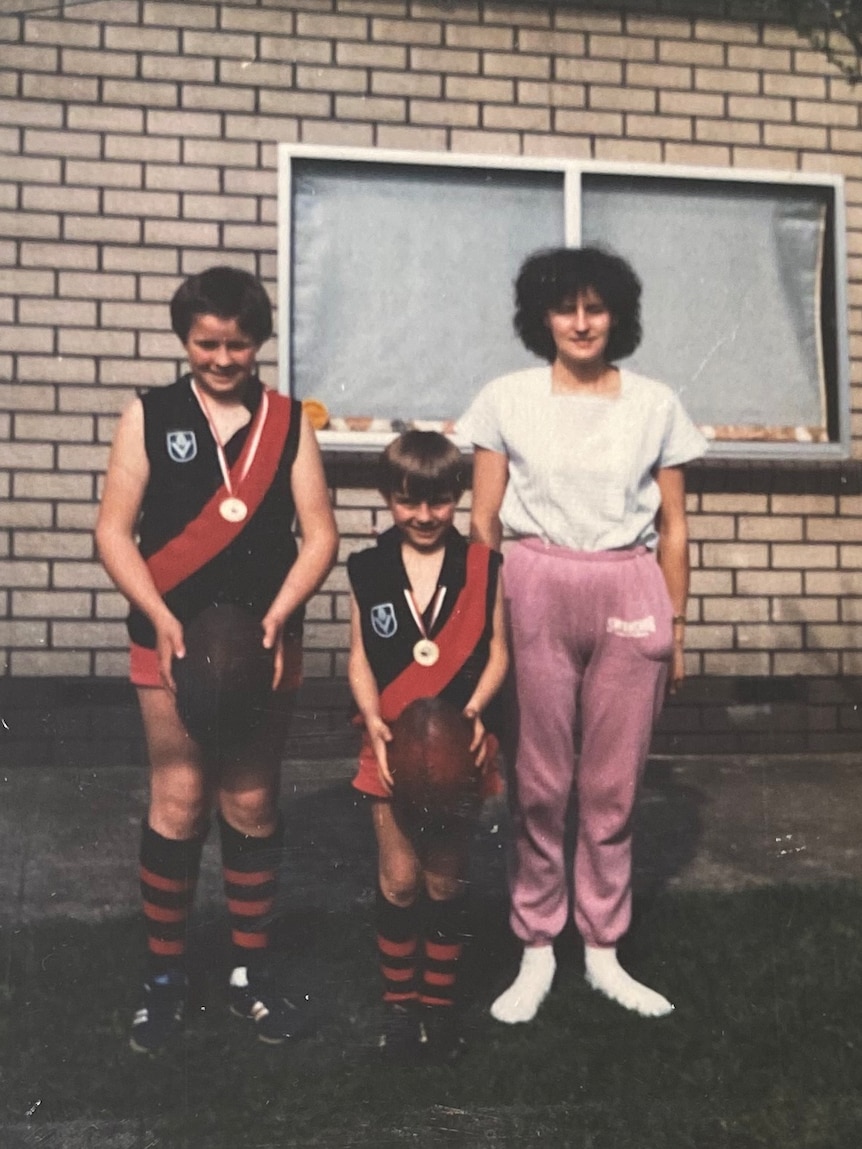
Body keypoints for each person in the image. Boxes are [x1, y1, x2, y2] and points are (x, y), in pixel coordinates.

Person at [459, 246, 707, 1023]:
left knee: (610, 785)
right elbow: (484, 521)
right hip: (533, 586)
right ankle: (537, 946)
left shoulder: (657, 403)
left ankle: (603, 948)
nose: (580, 322)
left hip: (628, 587)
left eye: (595, 308)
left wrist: (674, 622)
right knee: (540, 782)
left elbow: (673, 528)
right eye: (565, 308)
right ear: (541, 316)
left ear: (617, 316)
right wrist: (485, 626)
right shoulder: (506, 397)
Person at [95, 266, 338, 1053]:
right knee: (178, 799)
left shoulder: (288, 420)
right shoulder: (149, 413)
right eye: (207, 343)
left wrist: (276, 615)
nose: (222, 357)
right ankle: (162, 981)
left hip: (262, 642)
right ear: (184, 339)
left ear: (259, 340)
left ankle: (252, 977)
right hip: (168, 637)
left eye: (237, 342)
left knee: (252, 801)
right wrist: (162, 616)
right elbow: (111, 531)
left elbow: (322, 532)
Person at [347, 431, 508, 1063]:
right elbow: (360, 658)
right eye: (409, 502)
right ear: (389, 499)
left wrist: (472, 711)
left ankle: (438, 1010)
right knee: (399, 880)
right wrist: (372, 719)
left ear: (456, 499)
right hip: (389, 743)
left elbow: (499, 652)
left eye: (439, 502)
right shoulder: (368, 567)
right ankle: (398, 1007)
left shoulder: (483, 564)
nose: (423, 516)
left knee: (446, 879)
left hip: (458, 746)